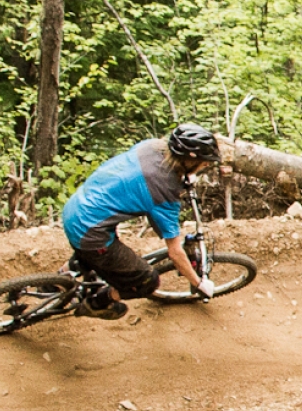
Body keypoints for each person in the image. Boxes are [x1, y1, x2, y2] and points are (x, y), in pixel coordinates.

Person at [61, 124, 221, 318]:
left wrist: (185, 175)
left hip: (76, 208)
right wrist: (198, 283)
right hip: (90, 233)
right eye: (205, 163)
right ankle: (99, 303)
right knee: (147, 281)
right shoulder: (164, 192)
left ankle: (60, 279)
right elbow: (175, 252)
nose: (206, 166)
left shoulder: (151, 147)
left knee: (102, 244)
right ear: (189, 160)